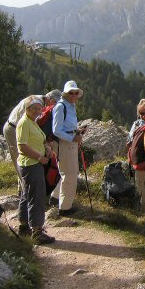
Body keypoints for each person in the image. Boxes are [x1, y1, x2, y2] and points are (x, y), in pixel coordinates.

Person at [3, 90, 61, 190]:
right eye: (55, 103)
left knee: (22, 159)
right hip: (13, 129)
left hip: (17, 128)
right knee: (20, 158)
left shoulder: (39, 101)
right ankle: (26, 190)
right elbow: (29, 122)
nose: (54, 107)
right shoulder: (36, 102)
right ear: (50, 100)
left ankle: (22, 189)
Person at [16, 96, 55, 244]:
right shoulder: (24, 123)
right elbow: (22, 146)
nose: (38, 111)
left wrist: (46, 147)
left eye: (39, 108)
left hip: (29, 164)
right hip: (31, 164)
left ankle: (24, 225)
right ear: (27, 109)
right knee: (37, 196)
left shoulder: (31, 122)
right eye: (34, 108)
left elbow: (39, 138)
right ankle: (37, 231)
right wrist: (40, 157)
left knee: (27, 194)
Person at [50, 80, 86, 216]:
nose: (74, 95)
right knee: (69, 174)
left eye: (76, 93)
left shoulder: (70, 106)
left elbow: (66, 125)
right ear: (65, 93)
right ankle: (65, 208)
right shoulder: (61, 107)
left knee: (68, 172)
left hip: (71, 142)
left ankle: (55, 198)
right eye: (71, 92)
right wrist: (72, 138)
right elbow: (56, 130)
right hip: (65, 144)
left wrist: (77, 131)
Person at [127, 99, 145, 234]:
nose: (143, 116)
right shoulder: (138, 124)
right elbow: (129, 142)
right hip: (144, 165)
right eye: (141, 113)